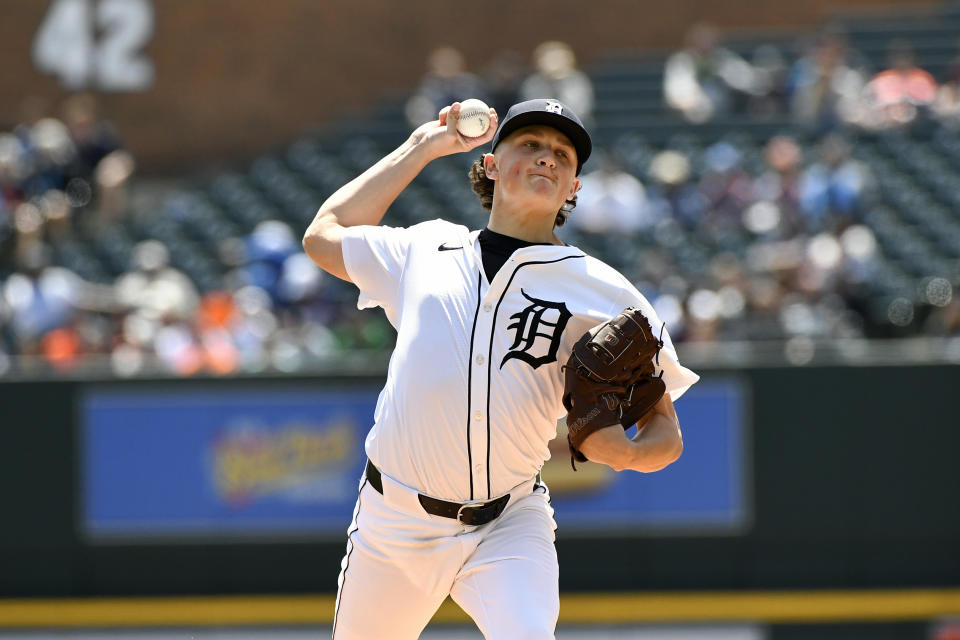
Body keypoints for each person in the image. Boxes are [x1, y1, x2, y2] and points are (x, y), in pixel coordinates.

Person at [302, 98, 699, 639]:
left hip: (508, 522)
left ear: (574, 189)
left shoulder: (604, 292)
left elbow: (667, 433)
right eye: (530, 144)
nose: (547, 158)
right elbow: (323, 234)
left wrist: (628, 454)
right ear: (490, 165)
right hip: (393, 522)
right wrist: (422, 148)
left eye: (562, 154)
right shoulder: (425, 248)